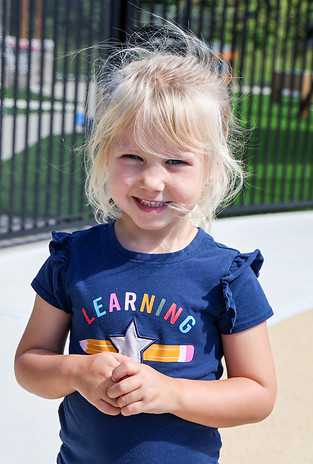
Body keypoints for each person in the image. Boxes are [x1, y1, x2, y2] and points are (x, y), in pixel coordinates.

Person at [15, 22, 276, 464]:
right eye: (132, 156)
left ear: (210, 168)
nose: (152, 181)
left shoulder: (226, 276)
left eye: (176, 161)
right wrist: (75, 370)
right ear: (104, 154)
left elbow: (258, 394)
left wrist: (169, 392)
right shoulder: (73, 260)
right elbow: (29, 364)